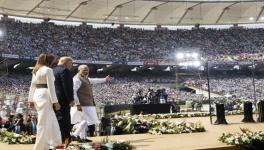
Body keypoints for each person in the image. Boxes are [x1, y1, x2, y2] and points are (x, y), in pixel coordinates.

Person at [28, 53, 62, 150]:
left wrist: (30, 100)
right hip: (45, 96)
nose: (55, 62)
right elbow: (51, 87)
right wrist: (55, 102)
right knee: (43, 122)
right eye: (54, 60)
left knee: (51, 119)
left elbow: (32, 86)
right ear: (49, 61)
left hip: (37, 95)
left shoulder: (36, 69)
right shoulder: (48, 70)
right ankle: (40, 146)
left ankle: (56, 142)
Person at [71, 65, 112, 139]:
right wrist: (77, 104)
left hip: (87, 104)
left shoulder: (85, 78)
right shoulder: (77, 79)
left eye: (87, 70)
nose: (86, 72)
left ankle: (82, 137)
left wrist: (105, 79)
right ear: (79, 70)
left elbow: (95, 80)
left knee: (84, 120)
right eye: (84, 70)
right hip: (82, 104)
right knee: (87, 120)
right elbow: (73, 92)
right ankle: (75, 134)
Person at [53, 56, 75, 146]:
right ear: (66, 63)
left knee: (57, 120)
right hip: (63, 99)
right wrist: (71, 99)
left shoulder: (52, 70)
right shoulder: (65, 71)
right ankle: (66, 139)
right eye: (71, 64)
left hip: (54, 99)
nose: (71, 66)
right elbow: (67, 87)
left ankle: (58, 139)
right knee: (65, 120)